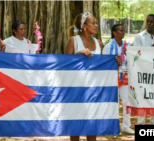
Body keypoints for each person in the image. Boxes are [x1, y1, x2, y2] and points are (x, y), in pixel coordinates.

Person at [65, 12, 103, 141]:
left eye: (96, 23)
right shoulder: (73, 41)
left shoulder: (98, 43)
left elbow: (102, 66)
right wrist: (78, 54)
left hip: (94, 89)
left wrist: (116, 61)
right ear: (84, 26)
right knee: (75, 121)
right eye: (93, 23)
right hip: (76, 89)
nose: (96, 25)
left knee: (92, 121)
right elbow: (64, 65)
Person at [102, 24, 134, 134]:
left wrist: (128, 55)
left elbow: (133, 61)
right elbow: (104, 62)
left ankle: (126, 126)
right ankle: (112, 126)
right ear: (114, 33)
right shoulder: (108, 46)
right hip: (112, 78)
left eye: (123, 30)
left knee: (126, 101)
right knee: (113, 102)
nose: (122, 32)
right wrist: (114, 62)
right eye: (120, 30)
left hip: (124, 77)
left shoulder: (127, 46)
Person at [133, 14, 154, 125]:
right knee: (142, 99)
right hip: (143, 73)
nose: (149, 23)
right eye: (148, 21)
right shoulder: (139, 37)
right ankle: (141, 124)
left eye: (152, 21)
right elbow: (136, 54)